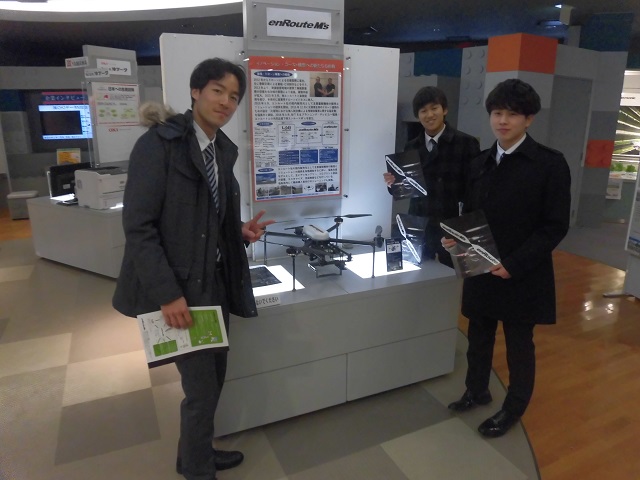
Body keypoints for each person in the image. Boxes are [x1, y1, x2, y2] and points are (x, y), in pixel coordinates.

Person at [112, 58, 274, 479]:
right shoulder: (158, 145)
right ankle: (197, 470)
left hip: (213, 284)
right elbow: (140, 228)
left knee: (213, 380)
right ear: (196, 91)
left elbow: (205, 220)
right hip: (181, 289)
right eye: (218, 91)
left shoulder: (220, 149)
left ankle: (194, 454)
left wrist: (238, 231)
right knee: (200, 389)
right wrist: (168, 294)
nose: (226, 102)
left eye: (234, 96)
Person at [444, 79, 571, 438]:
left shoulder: (549, 164)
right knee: (478, 335)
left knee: (518, 345)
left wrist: (514, 264)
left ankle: (513, 409)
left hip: (522, 272)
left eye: (512, 114)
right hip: (481, 265)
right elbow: (470, 212)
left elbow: (554, 226)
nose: (502, 121)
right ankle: (477, 390)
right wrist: (457, 239)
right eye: (497, 113)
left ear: (529, 119)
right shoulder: (480, 162)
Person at [383, 86, 480, 267]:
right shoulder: (412, 146)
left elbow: (475, 189)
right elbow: (406, 190)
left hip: (451, 222)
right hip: (418, 221)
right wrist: (393, 184)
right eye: (423, 111)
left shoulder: (466, 143)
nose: (429, 115)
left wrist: (467, 226)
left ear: (445, 110)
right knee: (413, 273)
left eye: (434, 108)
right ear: (417, 115)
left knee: (452, 274)